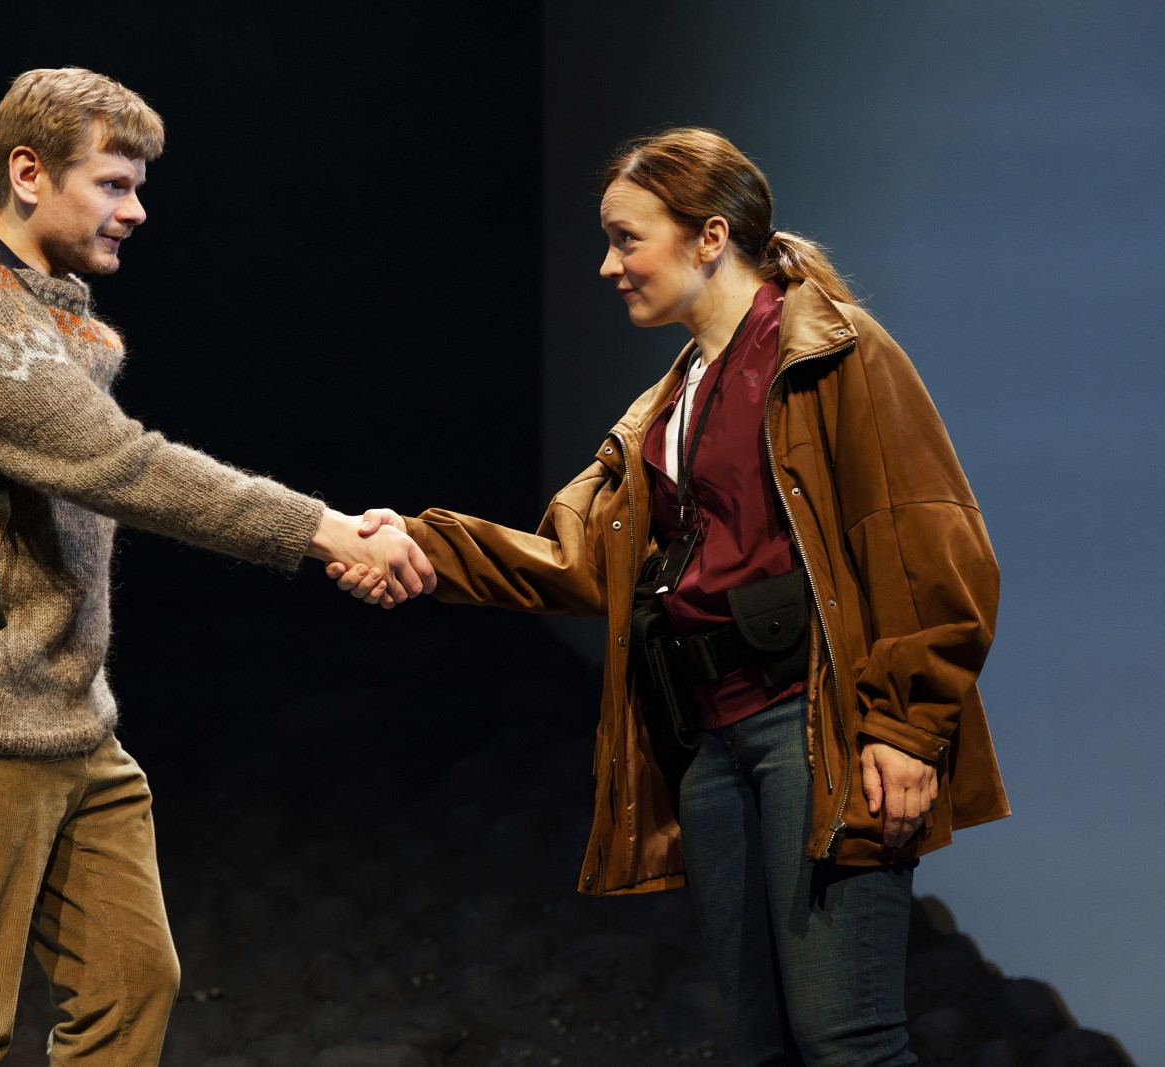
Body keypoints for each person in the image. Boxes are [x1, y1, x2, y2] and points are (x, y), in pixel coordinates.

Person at [332, 127, 1009, 1066]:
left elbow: (936, 542)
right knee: (764, 1041)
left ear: (710, 235)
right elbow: (576, 559)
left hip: (811, 726)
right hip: (710, 740)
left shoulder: (834, 353)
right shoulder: (665, 407)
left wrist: (906, 728)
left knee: (845, 1039)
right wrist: (420, 544)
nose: (608, 266)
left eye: (626, 238)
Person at [0, 66, 433, 1066]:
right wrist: (325, 529)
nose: (136, 210)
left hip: (71, 717)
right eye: (112, 184)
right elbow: (123, 465)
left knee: (129, 982)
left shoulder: (43, 307)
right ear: (28, 173)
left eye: (137, 186)